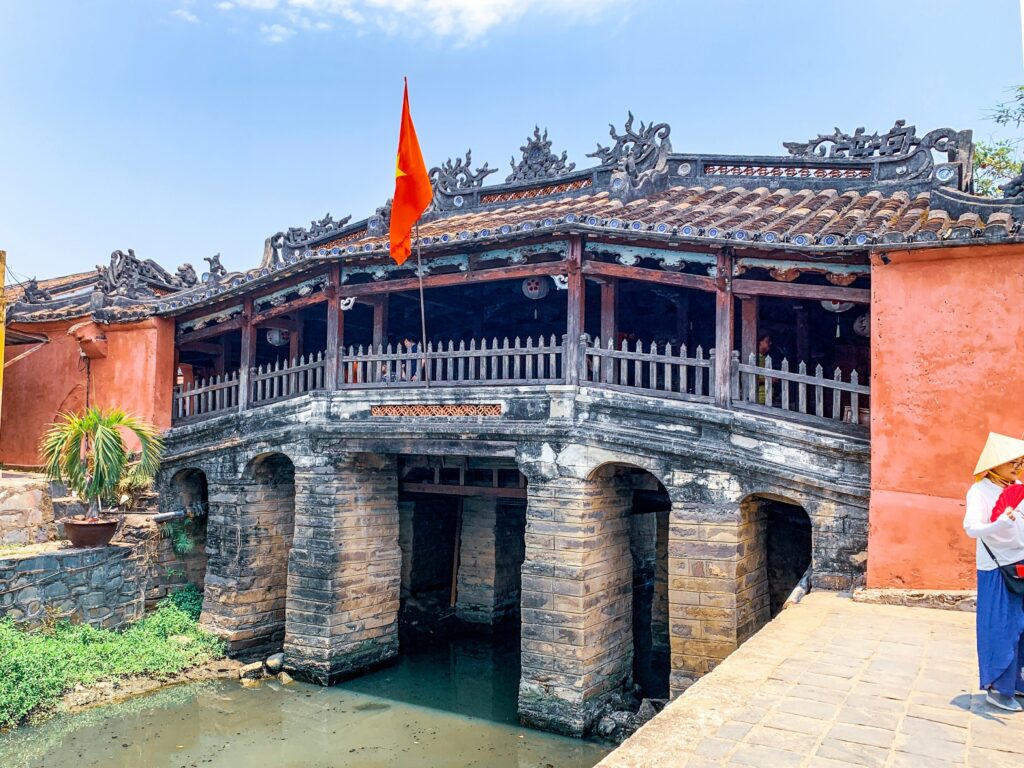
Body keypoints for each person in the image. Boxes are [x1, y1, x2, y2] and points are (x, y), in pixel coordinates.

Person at [964, 432, 1024, 712]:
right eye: (1013, 462)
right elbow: (972, 528)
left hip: (1021, 563)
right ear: (995, 463)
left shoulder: (1018, 488)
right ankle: (998, 689)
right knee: (1001, 628)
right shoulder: (980, 491)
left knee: (1021, 628)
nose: (1017, 468)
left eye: (1020, 463)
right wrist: (999, 524)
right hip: (996, 568)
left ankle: (1017, 682)